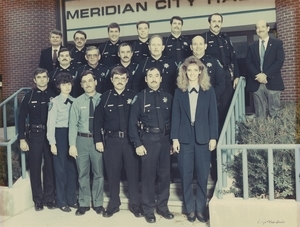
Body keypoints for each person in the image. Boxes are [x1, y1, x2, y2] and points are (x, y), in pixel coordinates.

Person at [170, 56, 218, 223]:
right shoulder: (179, 92)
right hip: (184, 139)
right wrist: (174, 138)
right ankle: (190, 209)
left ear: (200, 71)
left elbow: (213, 115)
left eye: (195, 70)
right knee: (186, 175)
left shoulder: (208, 91)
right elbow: (175, 116)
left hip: (203, 138)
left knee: (203, 175)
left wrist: (213, 137)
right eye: (188, 70)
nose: (191, 73)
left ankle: (200, 208)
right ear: (185, 72)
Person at [94, 66, 142, 218]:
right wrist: (98, 140)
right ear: (111, 80)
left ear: (127, 80)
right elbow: (97, 121)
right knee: (113, 173)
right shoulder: (105, 97)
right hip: (112, 141)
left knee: (133, 173)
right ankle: (114, 203)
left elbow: (141, 119)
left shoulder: (134, 96)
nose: (120, 81)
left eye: (123, 79)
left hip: (130, 140)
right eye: (116, 78)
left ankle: (135, 203)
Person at [129, 67, 174, 223]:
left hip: (165, 139)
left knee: (165, 175)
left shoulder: (168, 97)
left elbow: (173, 121)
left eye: (156, 75)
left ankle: (163, 206)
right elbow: (132, 124)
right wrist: (137, 144)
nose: (154, 78)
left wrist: (172, 140)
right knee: (148, 176)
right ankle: (148, 209)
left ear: (161, 78)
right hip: (148, 139)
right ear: (146, 79)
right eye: (150, 76)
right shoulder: (139, 98)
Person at [18, 68, 56, 211]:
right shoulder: (29, 96)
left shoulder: (54, 95)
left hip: (50, 135)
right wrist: (22, 138)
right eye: (38, 77)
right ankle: (38, 200)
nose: (41, 79)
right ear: (34, 80)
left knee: (50, 166)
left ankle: (49, 198)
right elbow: (21, 118)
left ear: (48, 79)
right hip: (35, 135)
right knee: (35, 167)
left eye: (44, 77)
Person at [68, 70, 104, 216]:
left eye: (90, 81)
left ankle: (98, 203)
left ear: (95, 82)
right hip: (81, 140)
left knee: (98, 173)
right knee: (82, 173)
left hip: (98, 141)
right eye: (84, 82)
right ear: (81, 85)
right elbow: (73, 125)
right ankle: (83, 203)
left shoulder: (103, 99)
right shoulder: (77, 102)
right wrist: (72, 144)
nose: (88, 84)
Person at [190, 35, 225, 181]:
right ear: (191, 47)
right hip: (190, 112)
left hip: (208, 111)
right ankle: (192, 176)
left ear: (205, 46)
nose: (198, 47)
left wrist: (208, 100)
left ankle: (214, 175)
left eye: (200, 44)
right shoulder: (186, 64)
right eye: (195, 44)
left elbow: (221, 84)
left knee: (210, 143)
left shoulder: (213, 62)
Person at [46, 72, 78, 212]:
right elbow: (50, 124)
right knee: (60, 170)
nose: (67, 87)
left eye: (69, 84)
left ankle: (71, 199)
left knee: (72, 169)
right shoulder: (55, 102)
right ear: (59, 86)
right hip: (59, 135)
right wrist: (52, 142)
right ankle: (61, 201)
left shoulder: (75, 100)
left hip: (72, 136)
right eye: (64, 84)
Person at [202, 13, 240, 129]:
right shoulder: (204, 38)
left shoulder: (226, 38)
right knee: (212, 104)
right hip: (210, 75)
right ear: (209, 23)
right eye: (214, 21)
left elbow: (233, 57)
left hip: (226, 74)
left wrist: (237, 76)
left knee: (226, 104)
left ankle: (224, 131)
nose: (217, 24)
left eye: (219, 21)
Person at [245, 20, 285, 118]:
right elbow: (248, 62)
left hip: (272, 81)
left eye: (262, 27)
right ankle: (261, 133)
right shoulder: (251, 46)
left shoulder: (277, 43)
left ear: (267, 28)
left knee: (275, 113)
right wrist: (258, 76)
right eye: (258, 27)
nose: (260, 29)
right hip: (256, 83)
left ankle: (276, 133)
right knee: (259, 114)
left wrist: (265, 75)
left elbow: (279, 61)